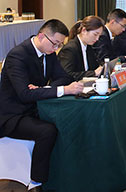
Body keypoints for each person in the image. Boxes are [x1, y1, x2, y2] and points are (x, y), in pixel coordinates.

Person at [0, 19, 84, 191]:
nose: (56, 48)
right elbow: (24, 94)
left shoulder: (49, 52)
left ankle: (65, 174)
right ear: (41, 36)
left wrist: (45, 88)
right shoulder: (18, 55)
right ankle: (37, 181)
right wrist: (63, 90)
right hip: (12, 115)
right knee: (47, 131)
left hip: (35, 107)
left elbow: (64, 77)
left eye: (59, 45)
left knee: (67, 120)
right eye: (55, 43)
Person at [58, 16, 105, 81]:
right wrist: (93, 73)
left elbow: (96, 65)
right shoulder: (70, 49)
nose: (97, 39)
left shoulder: (89, 47)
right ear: (84, 31)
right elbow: (67, 74)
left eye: (99, 36)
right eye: (95, 34)